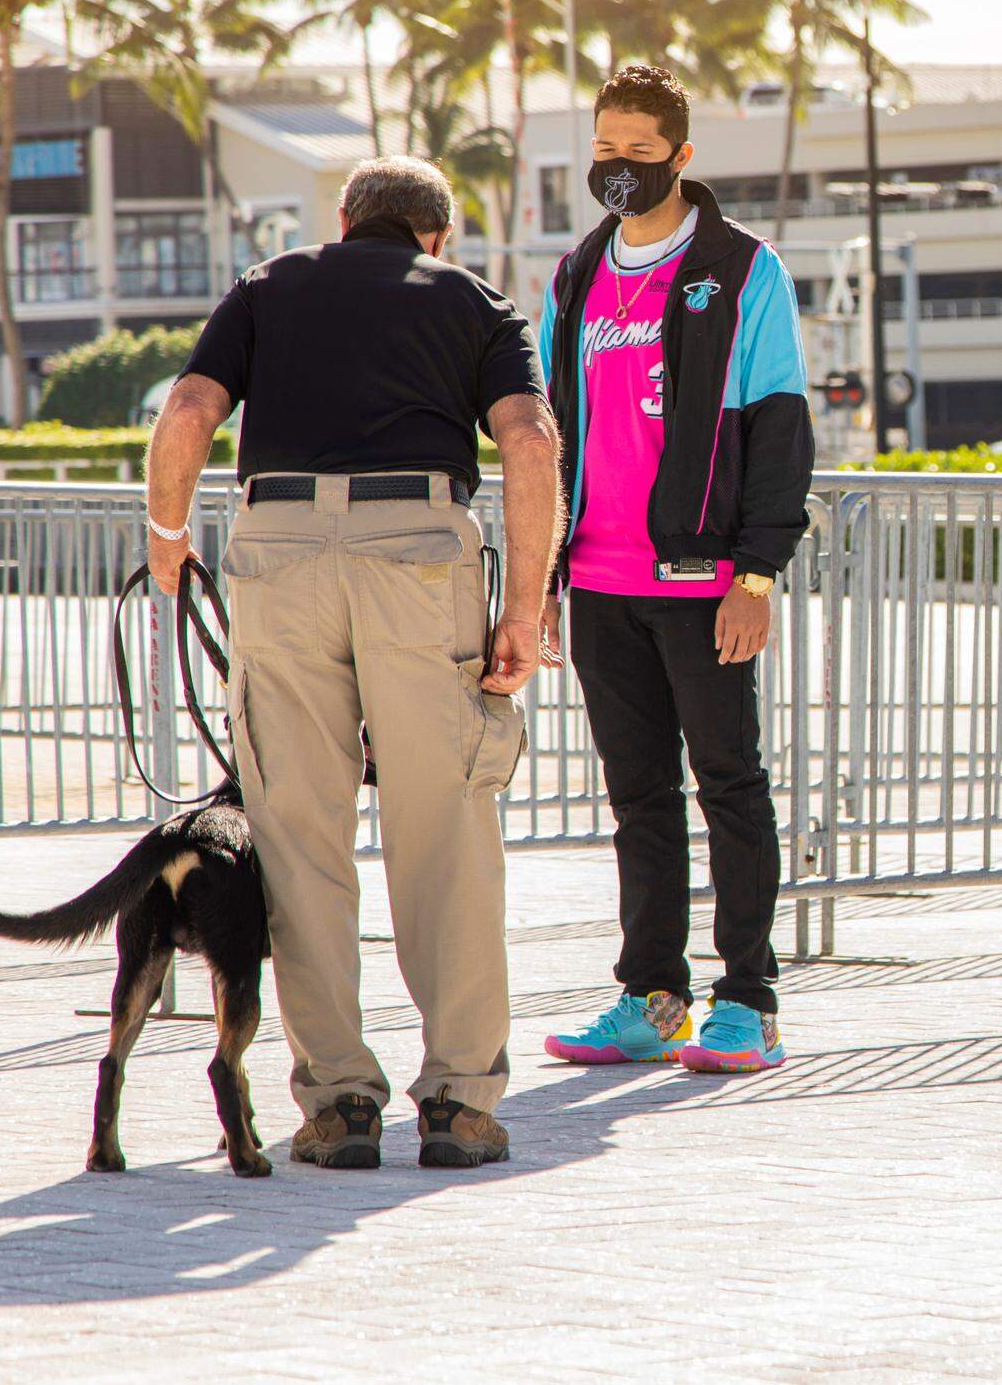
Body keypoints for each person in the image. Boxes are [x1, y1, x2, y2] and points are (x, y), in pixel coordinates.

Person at [146, 155, 562, 1166]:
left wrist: (166, 537)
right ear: (437, 234)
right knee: (446, 827)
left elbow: (190, 408)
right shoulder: (474, 300)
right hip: (419, 550)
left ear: (343, 220)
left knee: (297, 833)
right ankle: (459, 1101)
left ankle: (338, 1103)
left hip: (280, 552)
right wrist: (523, 611)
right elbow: (532, 441)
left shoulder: (269, 285)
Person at [538, 64, 814, 1074]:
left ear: (681, 156)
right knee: (638, 797)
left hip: (702, 581)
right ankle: (652, 996)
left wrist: (757, 573)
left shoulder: (743, 270)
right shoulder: (575, 275)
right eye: (604, 149)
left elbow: (780, 425)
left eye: (640, 152)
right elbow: (548, 434)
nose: (620, 167)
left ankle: (748, 1000)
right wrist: (545, 579)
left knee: (730, 786)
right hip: (601, 582)